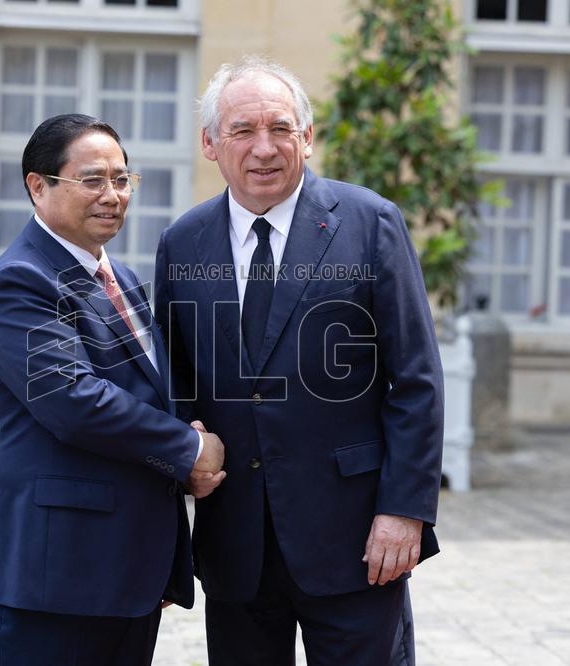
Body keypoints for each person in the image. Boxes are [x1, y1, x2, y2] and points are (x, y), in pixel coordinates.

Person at [0, 114, 226, 665]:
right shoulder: (20, 279)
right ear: (37, 186)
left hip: (123, 577)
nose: (113, 195)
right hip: (52, 580)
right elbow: (74, 401)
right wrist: (187, 448)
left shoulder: (119, 279)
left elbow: (145, 392)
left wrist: (181, 432)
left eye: (122, 180)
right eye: (92, 180)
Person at [153, 57, 444, 665]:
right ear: (210, 143)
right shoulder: (183, 241)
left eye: (281, 128)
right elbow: (175, 383)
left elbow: (415, 378)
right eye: (242, 131)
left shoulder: (369, 224)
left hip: (358, 539)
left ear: (307, 138)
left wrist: (404, 510)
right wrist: (182, 455)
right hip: (235, 542)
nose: (265, 148)